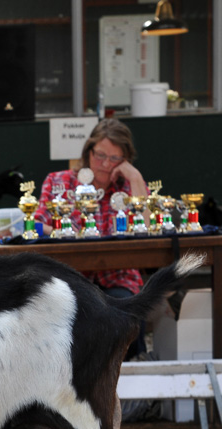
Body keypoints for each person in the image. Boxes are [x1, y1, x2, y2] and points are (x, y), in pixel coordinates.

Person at [34, 118, 149, 359]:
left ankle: (130, 385)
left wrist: (136, 178)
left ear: (125, 160)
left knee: (127, 315)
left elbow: (149, 228)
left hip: (118, 279)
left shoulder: (129, 187)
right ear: (89, 151)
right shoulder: (59, 181)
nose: (106, 165)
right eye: (100, 156)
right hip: (72, 278)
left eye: (115, 158)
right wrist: (67, 232)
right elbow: (35, 224)